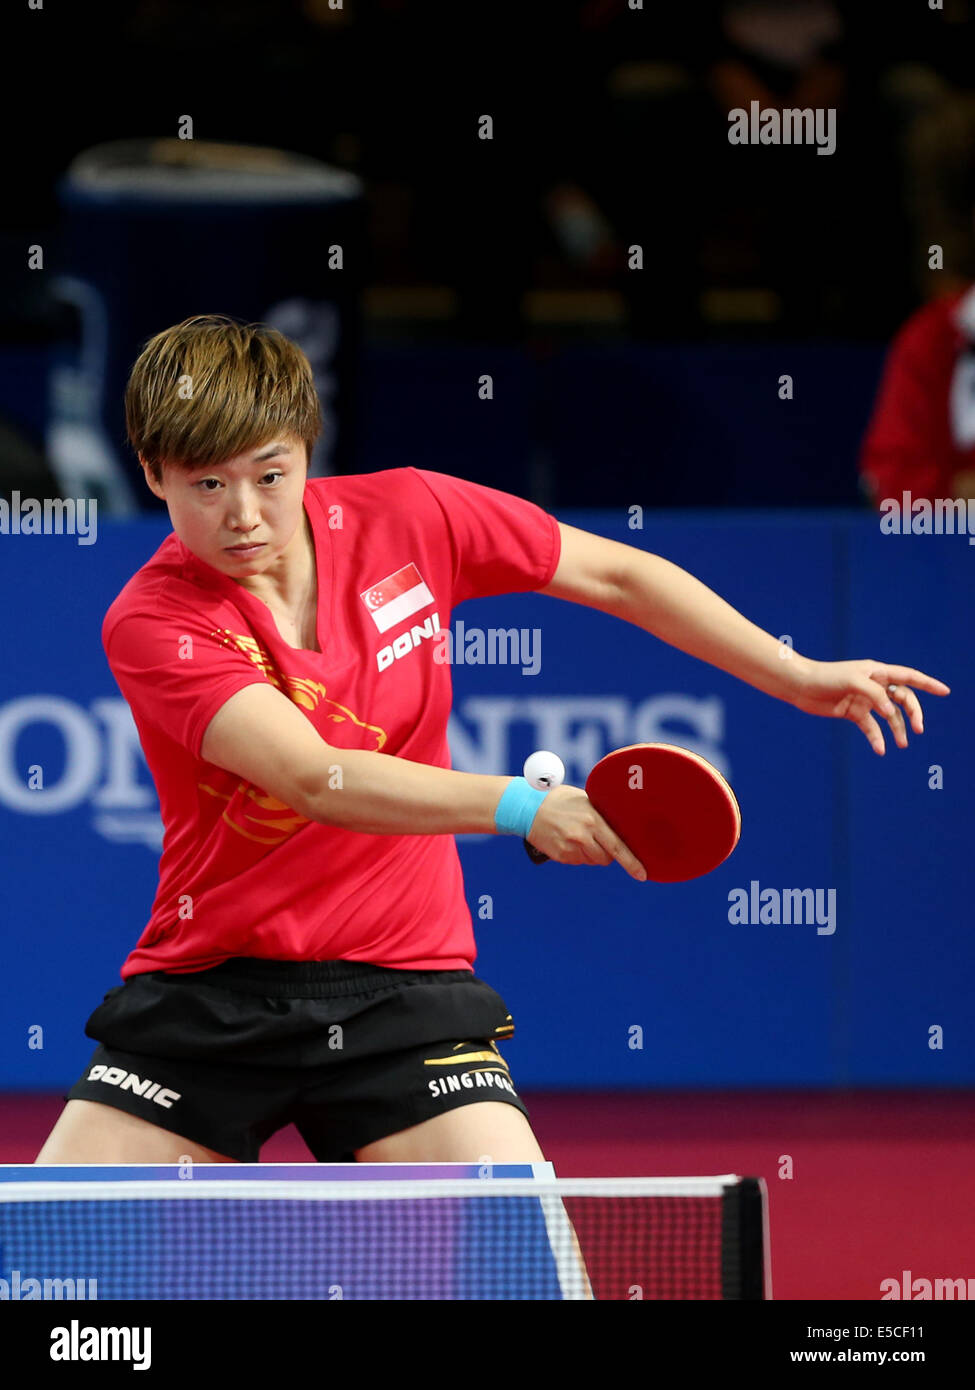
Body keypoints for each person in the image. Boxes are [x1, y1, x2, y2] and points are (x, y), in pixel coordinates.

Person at [37, 315, 949, 1166]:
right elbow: (318, 778)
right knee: (55, 1248)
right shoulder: (155, 620)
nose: (243, 514)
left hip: (401, 984)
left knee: (525, 1242)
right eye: (207, 484)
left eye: (269, 475)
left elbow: (617, 574)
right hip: (213, 986)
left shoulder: (410, 517)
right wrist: (522, 807)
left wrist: (795, 675)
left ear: (308, 454)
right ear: (152, 473)